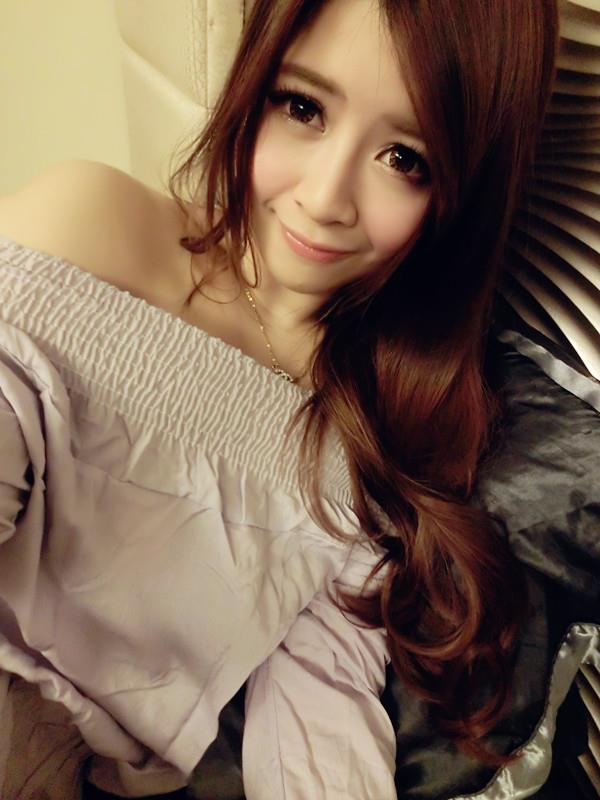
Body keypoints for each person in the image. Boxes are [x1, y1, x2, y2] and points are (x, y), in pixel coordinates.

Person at [2, 0, 595, 798]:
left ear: (458, 196)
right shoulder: (93, 227)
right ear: (255, 84)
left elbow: (320, 714)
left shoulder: (381, 436)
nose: (325, 197)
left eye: (404, 158)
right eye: (303, 107)